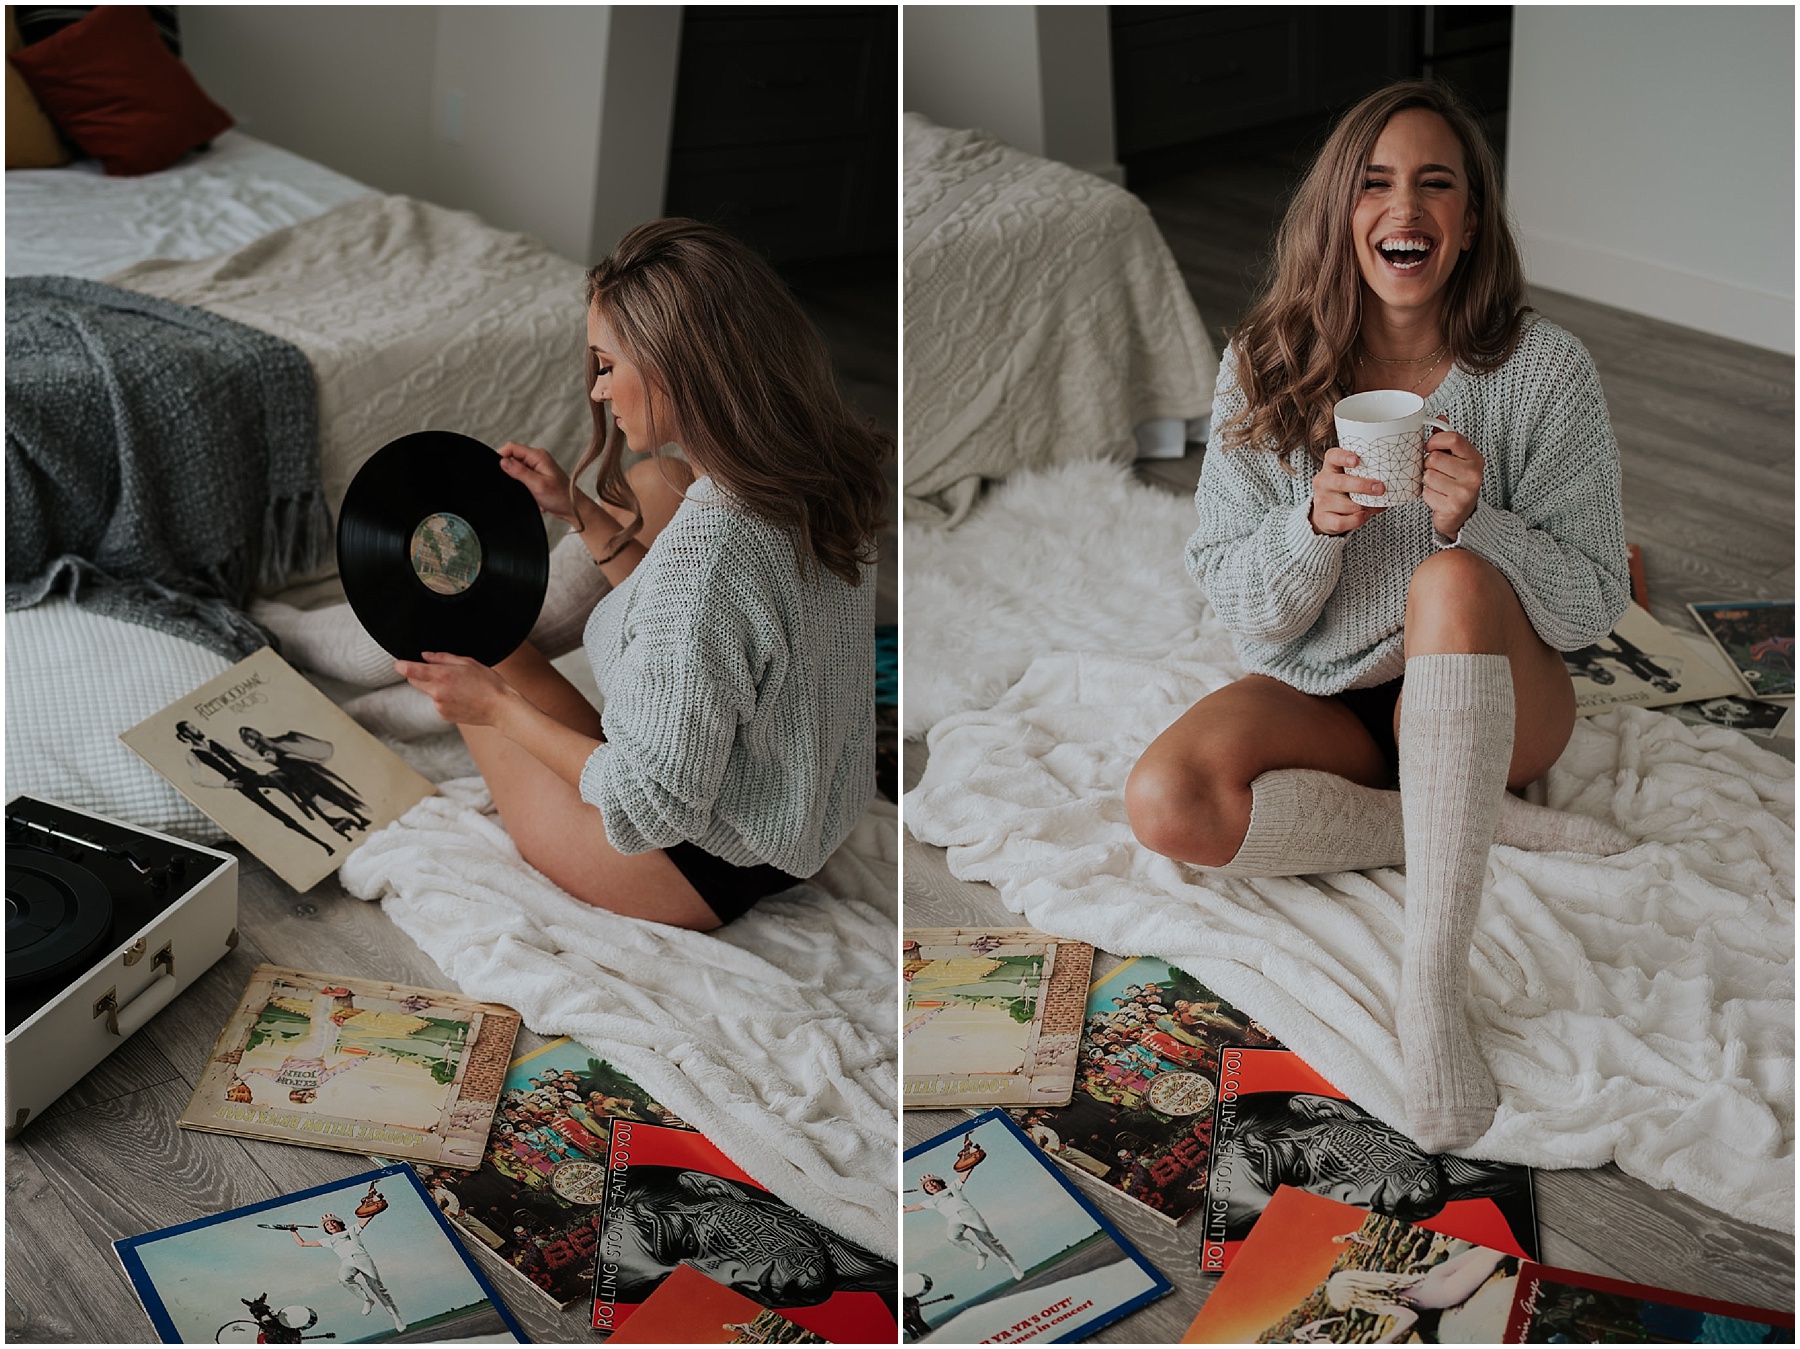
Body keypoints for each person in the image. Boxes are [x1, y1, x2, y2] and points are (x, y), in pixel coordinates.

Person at [1124, 80, 1637, 1153]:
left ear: (1471, 222)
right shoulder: (1265, 361)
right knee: (1166, 798)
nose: (1405, 207)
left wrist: (1481, 523)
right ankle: (1463, 820)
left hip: (1504, 695)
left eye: (1435, 183)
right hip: (1339, 690)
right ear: (1339, 212)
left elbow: (1595, 600)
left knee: (1446, 580)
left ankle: (1432, 987)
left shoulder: (1544, 372)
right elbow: (1240, 602)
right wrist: (1316, 521)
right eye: (1376, 183)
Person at [256, 219, 889, 930]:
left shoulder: (710, 553)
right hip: (783, 822)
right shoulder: (813, 470)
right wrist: (578, 512)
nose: (599, 392)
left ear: (678, 364)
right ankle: (320, 649)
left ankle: (290, 638)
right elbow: (708, 633)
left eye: (608, 364)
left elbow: (649, 803)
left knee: (464, 631)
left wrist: (496, 707)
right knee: (646, 491)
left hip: (676, 865)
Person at [288, 1210, 405, 1332]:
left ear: (339, 1223)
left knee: (377, 1288)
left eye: (333, 1222)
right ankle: (367, 1300)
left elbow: (369, 1215)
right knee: (343, 1278)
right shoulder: (328, 1241)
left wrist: (374, 1202)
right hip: (347, 1262)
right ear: (326, 1229)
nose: (331, 1225)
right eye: (327, 1225)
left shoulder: (352, 1229)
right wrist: (293, 1231)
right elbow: (302, 1243)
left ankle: (396, 1317)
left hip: (362, 1259)